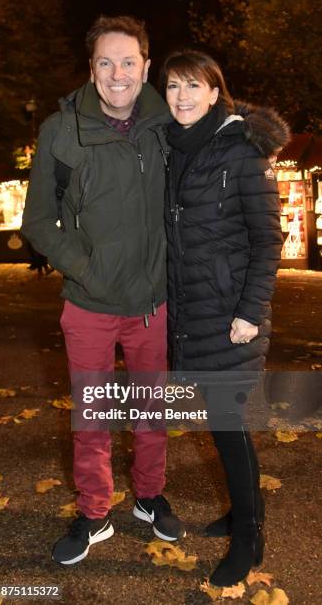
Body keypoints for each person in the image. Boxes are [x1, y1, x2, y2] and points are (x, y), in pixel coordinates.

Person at [21, 15, 185, 566]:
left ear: (146, 64)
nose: (118, 74)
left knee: (150, 411)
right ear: (91, 69)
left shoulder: (171, 122)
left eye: (129, 61)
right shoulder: (60, 131)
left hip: (152, 305)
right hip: (89, 306)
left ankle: (148, 497)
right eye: (106, 62)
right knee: (91, 419)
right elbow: (39, 221)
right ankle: (94, 514)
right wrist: (85, 269)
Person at [161, 50, 290, 586]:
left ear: (216, 93)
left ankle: (250, 535)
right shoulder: (175, 149)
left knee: (230, 426)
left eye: (194, 86)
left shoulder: (241, 150)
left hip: (231, 316)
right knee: (222, 426)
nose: (182, 96)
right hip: (194, 310)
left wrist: (250, 313)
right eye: (172, 86)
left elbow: (267, 239)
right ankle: (241, 512)